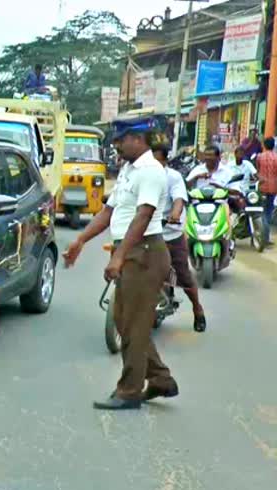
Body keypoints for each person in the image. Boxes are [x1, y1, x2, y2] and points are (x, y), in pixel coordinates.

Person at [64, 119, 177, 410]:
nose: (116, 144)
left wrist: (119, 255)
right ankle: (161, 379)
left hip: (145, 251)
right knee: (124, 320)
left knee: (135, 324)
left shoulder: (151, 172)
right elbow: (108, 211)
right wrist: (80, 240)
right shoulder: (129, 170)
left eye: (121, 139)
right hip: (132, 250)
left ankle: (129, 391)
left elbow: (143, 217)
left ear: (138, 139)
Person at [153, 145, 206, 331]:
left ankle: (197, 309)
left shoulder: (173, 177)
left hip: (170, 233)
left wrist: (175, 214)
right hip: (146, 233)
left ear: (165, 161)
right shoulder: (140, 174)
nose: (152, 164)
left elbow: (179, 200)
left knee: (183, 275)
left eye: (156, 160)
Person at [256, 137, 277, 247]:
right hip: (273, 188)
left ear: (264, 145)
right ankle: (266, 238)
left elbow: (257, 171)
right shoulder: (276, 157)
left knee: (261, 211)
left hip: (262, 187)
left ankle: (262, 236)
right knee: (268, 212)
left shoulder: (259, 157)